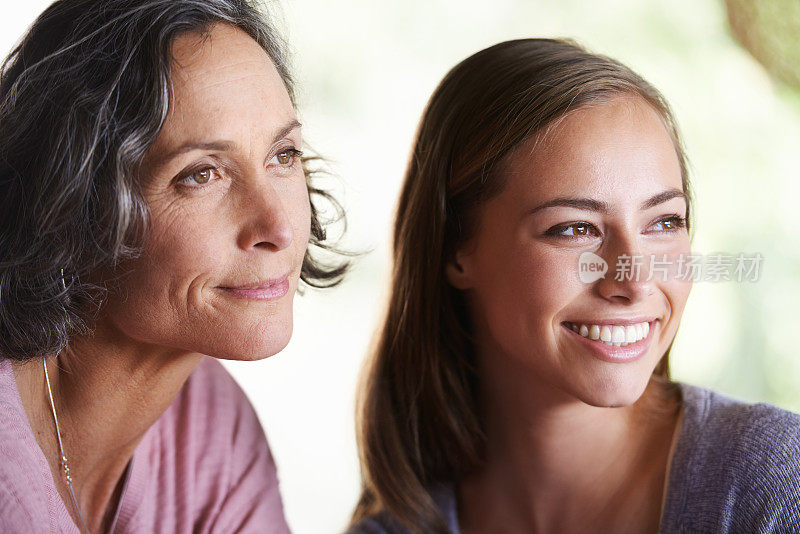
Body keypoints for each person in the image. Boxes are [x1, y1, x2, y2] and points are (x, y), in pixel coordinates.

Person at [348, 39, 800, 534]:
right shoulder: (399, 528)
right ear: (456, 249)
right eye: (575, 229)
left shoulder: (773, 482)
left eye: (664, 222)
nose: (635, 278)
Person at [0, 1, 346, 532]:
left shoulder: (213, 432)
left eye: (283, 155)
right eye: (202, 174)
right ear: (72, 203)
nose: (278, 229)